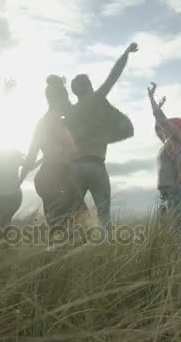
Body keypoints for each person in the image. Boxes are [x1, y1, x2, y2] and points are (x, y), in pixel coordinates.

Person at [66, 42, 138, 229]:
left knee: (73, 214)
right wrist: (126, 53)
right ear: (88, 86)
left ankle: (74, 248)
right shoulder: (97, 99)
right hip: (96, 165)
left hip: (74, 168)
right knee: (104, 216)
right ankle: (103, 250)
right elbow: (114, 75)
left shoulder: (71, 113)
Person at [19, 75, 77, 229]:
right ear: (58, 100)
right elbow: (31, 156)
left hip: (59, 177)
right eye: (66, 98)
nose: (69, 102)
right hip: (53, 178)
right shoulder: (46, 123)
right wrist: (17, 182)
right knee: (69, 227)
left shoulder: (60, 122)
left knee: (70, 228)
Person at [147, 82, 181, 245]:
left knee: (178, 234)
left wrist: (151, 98)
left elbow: (161, 120)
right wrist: (155, 104)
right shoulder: (167, 143)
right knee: (165, 234)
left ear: (176, 128)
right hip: (165, 193)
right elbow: (158, 125)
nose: (166, 127)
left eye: (170, 125)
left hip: (176, 191)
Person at [0, 149, 25, 227]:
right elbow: (29, 164)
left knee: (1, 223)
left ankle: (4, 234)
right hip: (11, 194)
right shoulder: (14, 158)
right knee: (4, 222)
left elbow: (29, 164)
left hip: (1, 195)